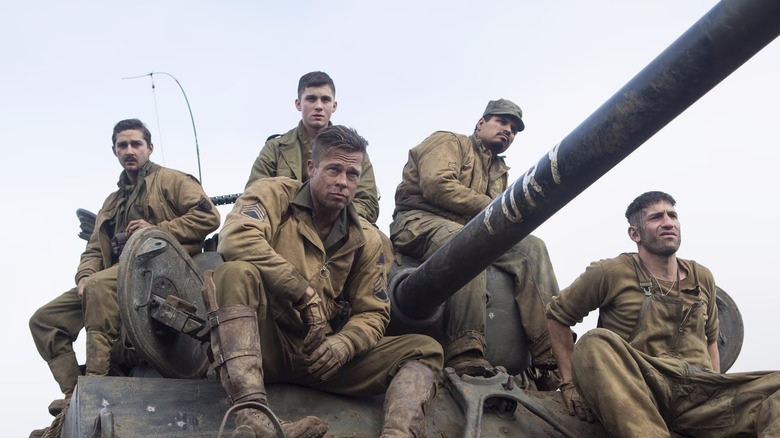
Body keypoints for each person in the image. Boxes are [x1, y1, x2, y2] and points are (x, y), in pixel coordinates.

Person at [209, 125, 443, 437]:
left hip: (322, 358)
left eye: (352, 174)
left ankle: (398, 433)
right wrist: (301, 292)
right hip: (264, 344)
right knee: (235, 273)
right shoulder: (274, 195)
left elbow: (373, 312)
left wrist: (344, 344)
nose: (343, 182)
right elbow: (235, 238)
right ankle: (252, 418)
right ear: (311, 168)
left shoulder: (367, 239)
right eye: (333, 169)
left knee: (425, 349)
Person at [29, 119, 221, 435]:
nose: (129, 151)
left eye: (135, 144)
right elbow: (94, 248)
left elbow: (208, 216)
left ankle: (96, 381)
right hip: (113, 279)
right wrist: (84, 275)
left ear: (149, 148)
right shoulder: (113, 201)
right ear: (115, 150)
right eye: (122, 145)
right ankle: (71, 394)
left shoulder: (171, 181)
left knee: (98, 288)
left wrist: (158, 230)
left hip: (155, 273)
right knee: (44, 321)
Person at [546, 191, 780, 437]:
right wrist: (569, 383)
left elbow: (711, 340)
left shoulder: (702, 277)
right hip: (644, 386)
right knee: (594, 342)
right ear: (635, 233)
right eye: (656, 217)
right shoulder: (611, 272)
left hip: (700, 394)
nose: (668, 222)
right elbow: (557, 316)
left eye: (673, 215)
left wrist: (717, 386)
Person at [390, 99, 559, 380]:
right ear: (481, 123)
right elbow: (437, 185)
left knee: (532, 247)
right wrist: (495, 207)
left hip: (472, 229)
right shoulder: (449, 141)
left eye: (514, 129)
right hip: (417, 222)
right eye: (502, 122)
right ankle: (465, 348)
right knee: (468, 242)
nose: (508, 131)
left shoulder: (499, 172)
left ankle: (550, 353)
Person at [245, 71, 379, 223]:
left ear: (334, 106)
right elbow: (255, 195)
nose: (319, 106)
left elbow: (367, 204)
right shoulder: (275, 148)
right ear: (298, 104)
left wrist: (331, 217)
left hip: (338, 230)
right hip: (284, 227)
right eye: (311, 99)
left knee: (376, 239)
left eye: (325, 100)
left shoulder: (353, 152)